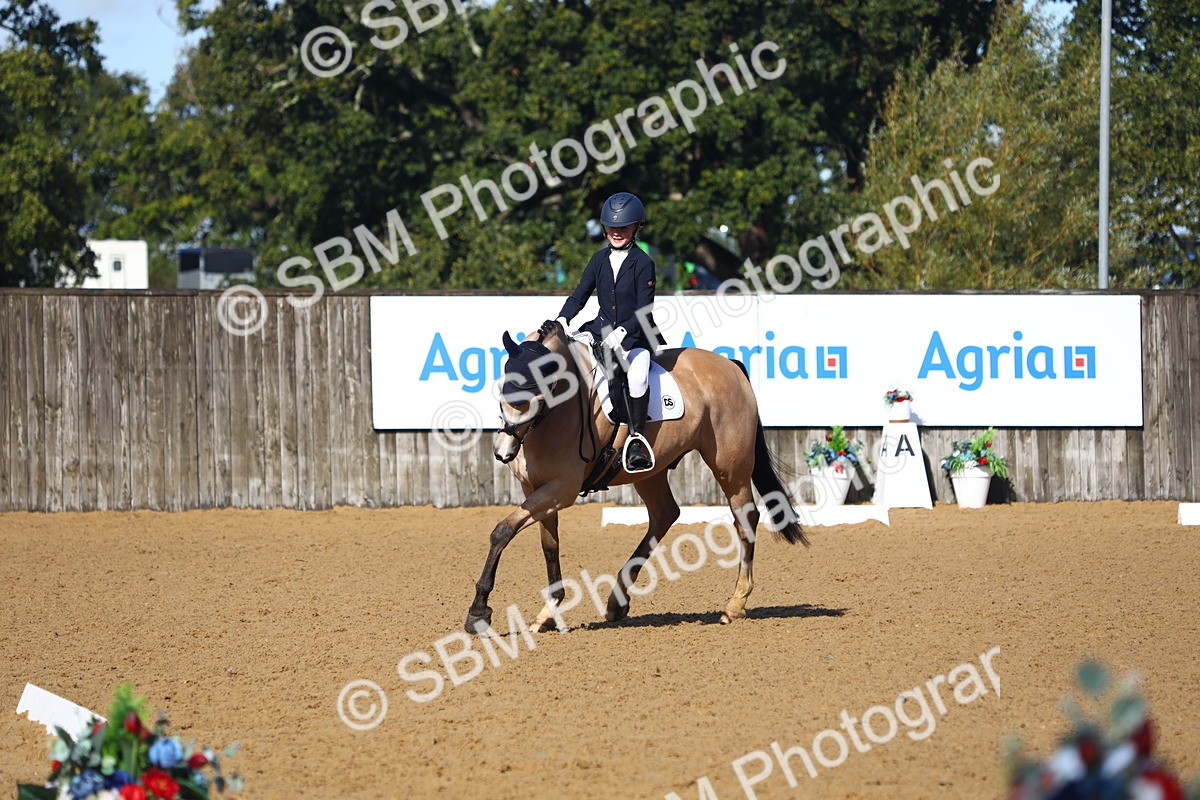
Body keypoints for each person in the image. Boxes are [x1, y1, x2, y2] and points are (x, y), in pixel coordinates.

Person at [556, 192, 665, 473]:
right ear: (605, 228)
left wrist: (622, 332)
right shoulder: (598, 259)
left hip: (636, 335)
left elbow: (645, 310)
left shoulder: (643, 263)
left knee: (638, 377)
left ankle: (637, 438)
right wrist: (563, 318)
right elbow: (580, 294)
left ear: (636, 228)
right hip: (600, 329)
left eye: (624, 228)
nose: (617, 233)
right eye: (612, 228)